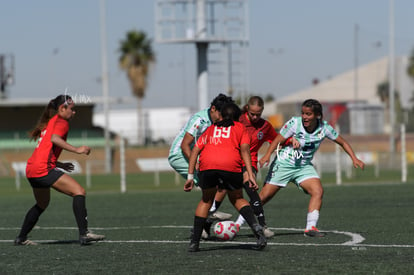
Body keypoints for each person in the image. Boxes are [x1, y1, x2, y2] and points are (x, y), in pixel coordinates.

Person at [259, 98, 365, 237]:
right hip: (284, 164)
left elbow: (342, 142)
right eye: (303, 113)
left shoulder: (324, 128)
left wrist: (354, 158)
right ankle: (237, 223)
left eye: (308, 114)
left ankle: (310, 228)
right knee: (263, 197)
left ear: (317, 115)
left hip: (303, 167)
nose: (304, 117)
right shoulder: (294, 123)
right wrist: (267, 155)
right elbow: (278, 140)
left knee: (318, 191)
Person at [14, 94, 105, 246]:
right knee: (79, 191)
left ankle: (21, 238)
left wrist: (60, 164)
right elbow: (55, 139)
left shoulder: (51, 122)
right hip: (43, 169)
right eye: (72, 109)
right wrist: (77, 150)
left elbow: (46, 149)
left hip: (32, 169)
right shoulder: (62, 121)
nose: (74, 112)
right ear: (62, 108)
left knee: (42, 204)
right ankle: (85, 234)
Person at [184, 102, 266, 252]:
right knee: (237, 198)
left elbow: (195, 150)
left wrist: (190, 176)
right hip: (230, 166)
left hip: (207, 166)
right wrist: (250, 174)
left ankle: (194, 242)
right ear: (238, 117)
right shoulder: (240, 127)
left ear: (221, 115)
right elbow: (245, 151)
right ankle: (258, 231)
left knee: (206, 200)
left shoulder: (210, 129)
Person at [168, 93, 234, 228]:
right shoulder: (200, 120)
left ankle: (207, 217)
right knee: (213, 185)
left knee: (222, 182)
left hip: (196, 155)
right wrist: (197, 165)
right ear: (213, 109)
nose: (222, 119)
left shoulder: (217, 121)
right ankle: (206, 218)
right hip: (179, 155)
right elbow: (184, 145)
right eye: (220, 115)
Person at [232, 96, 279, 238]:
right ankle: (205, 227)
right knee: (221, 193)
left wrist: (292, 140)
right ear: (247, 108)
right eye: (252, 114)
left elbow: (277, 139)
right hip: (232, 161)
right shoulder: (237, 120)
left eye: (258, 114)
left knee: (251, 189)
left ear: (262, 110)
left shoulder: (265, 126)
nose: (255, 117)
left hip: (250, 162)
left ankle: (262, 226)